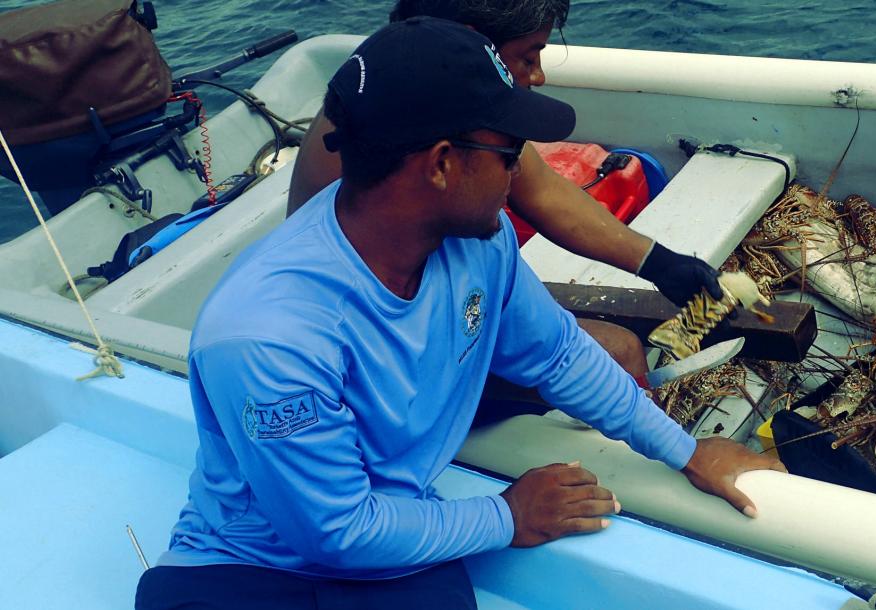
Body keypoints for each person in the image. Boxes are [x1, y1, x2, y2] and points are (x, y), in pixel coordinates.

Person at [136, 18, 784, 609]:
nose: (519, 172)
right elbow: (339, 532)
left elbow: (557, 354)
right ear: (443, 164)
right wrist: (507, 515)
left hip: (393, 542)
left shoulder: (479, 242)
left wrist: (685, 451)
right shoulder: (266, 335)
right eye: (510, 152)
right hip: (246, 571)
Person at [287, 0, 727, 384]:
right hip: (382, 352)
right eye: (528, 57)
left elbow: (544, 192)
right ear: (474, 44)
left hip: (438, 313)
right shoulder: (389, 134)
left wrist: (658, 263)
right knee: (620, 353)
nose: (538, 75)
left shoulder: (423, 94)